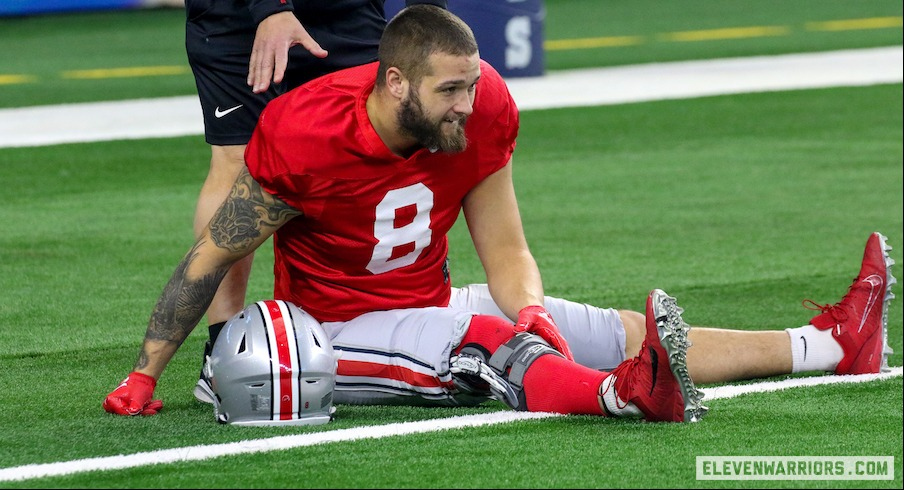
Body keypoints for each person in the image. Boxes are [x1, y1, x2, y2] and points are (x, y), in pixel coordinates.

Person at [104, 5, 894, 422]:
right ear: (393, 84)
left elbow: (507, 251)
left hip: (429, 303)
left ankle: (831, 344)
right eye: (450, 89)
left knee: (604, 328)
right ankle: (623, 398)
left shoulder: (479, 115)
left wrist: (535, 312)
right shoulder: (305, 132)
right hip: (336, 332)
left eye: (473, 83)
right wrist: (147, 372)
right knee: (485, 343)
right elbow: (213, 253)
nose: (468, 103)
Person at [184, 0, 446, 403]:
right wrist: (271, 9)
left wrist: (434, 20)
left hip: (345, 9)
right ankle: (223, 345)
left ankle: (371, 314)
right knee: (236, 160)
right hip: (235, 14)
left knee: (374, 132)